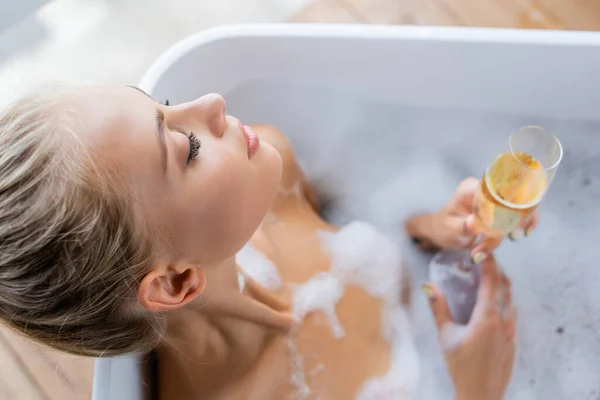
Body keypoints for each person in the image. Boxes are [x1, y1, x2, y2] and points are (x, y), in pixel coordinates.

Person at [0, 86, 536, 399]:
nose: (209, 102)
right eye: (187, 148)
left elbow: (351, 219)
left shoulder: (270, 180)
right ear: (175, 281)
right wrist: (479, 389)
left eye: (162, 105)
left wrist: (437, 230)